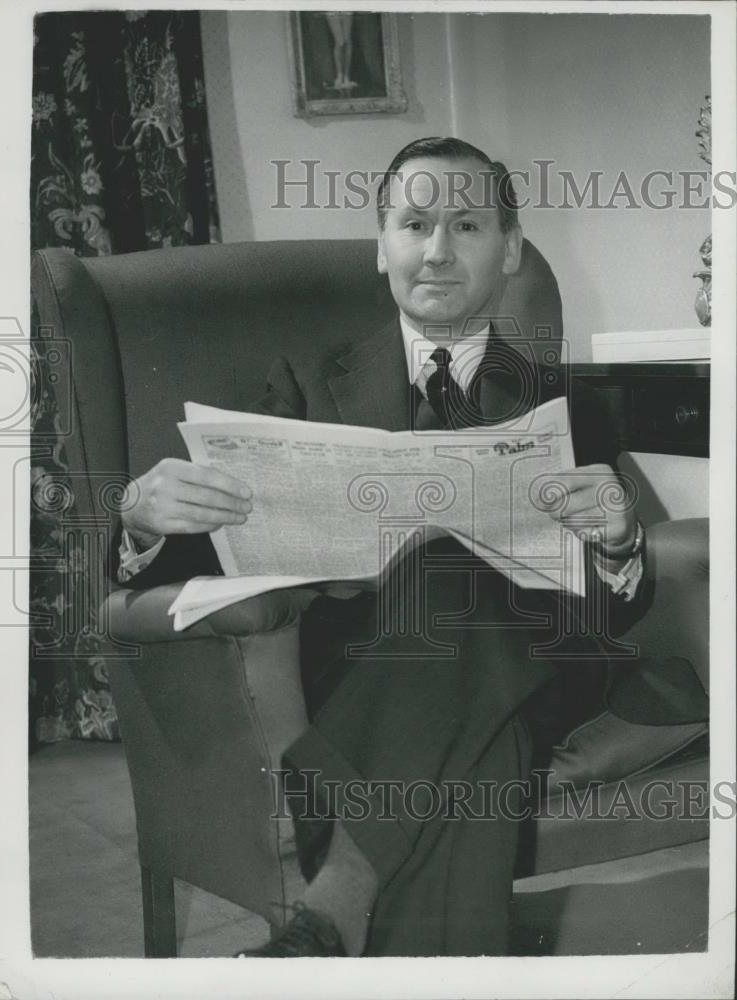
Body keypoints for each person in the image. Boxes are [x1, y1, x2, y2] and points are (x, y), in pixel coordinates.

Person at [114, 137, 645, 957]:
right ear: (382, 244)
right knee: (478, 749)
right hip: (366, 673)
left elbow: (620, 606)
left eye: (466, 225)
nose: (435, 250)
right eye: (413, 222)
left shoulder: (565, 402)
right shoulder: (300, 387)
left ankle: (331, 913)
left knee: (447, 564)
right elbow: (211, 554)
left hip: (541, 664)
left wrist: (618, 544)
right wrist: (145, 516)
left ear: (508, 252)